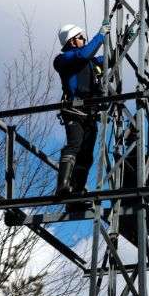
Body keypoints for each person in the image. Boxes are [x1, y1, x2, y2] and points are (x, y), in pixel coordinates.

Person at [53, 21, 109, 210]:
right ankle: (63, 187)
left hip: (90, 113)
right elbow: (84, 54)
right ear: (71, 41)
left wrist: (123, 42)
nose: (84, 40)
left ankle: (76, 194)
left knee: (86, 155)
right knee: (74, 145)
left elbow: (108, 60)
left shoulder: (90, 61)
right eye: (80, 37)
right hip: (74, 111)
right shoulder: (63, 59)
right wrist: (100, 35)